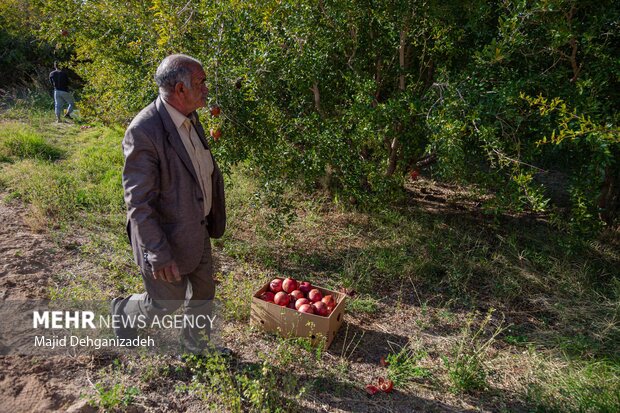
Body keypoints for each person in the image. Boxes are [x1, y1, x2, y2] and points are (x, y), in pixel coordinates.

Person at [113, 54, 227, 355]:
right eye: (200, 82)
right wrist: (158, 253)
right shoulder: (144, 131)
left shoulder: (190, 115)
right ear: (180, 89)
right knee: (166, 302)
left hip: (196, 225)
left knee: (204, 290)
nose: (206, 89)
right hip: (164, 237)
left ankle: (195, 346)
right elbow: (138, 203)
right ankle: (123, 312)